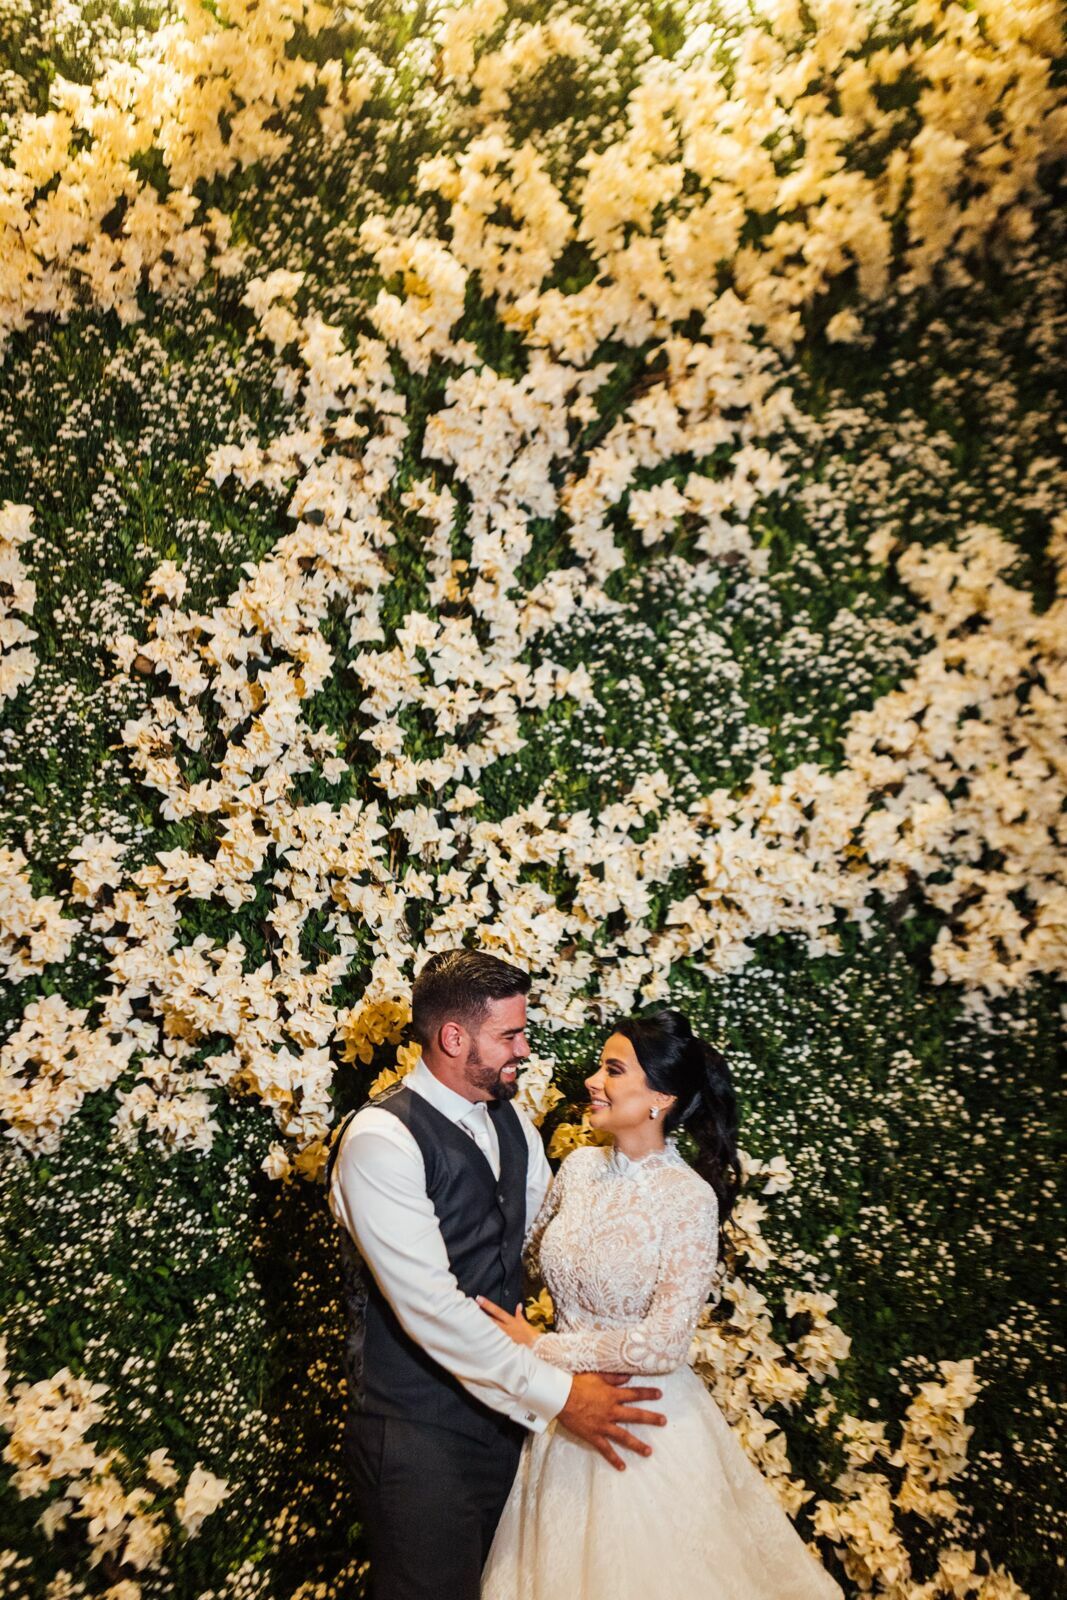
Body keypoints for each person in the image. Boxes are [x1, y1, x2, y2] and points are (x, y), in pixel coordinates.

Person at [325, 950, 668, 1600]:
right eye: (509, 1035)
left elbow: (542, 1250)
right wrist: (564, 1396)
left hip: (507, 1426)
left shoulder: (511, 1122)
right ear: (453, 1038)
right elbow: (433, 1309)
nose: (525, 1049)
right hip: (416, 1435)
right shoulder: (381, 1139)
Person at [478, 1008, 846, 1600]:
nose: (593, 1081)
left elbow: (666, 1342)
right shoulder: (576, 1168)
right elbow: (526, 1257)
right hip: (563, 1417)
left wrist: (540, 1346)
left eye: (613, 1070)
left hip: (643, 1424)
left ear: (661, 1099)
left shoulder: (689, 1198)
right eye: (600, 1066)